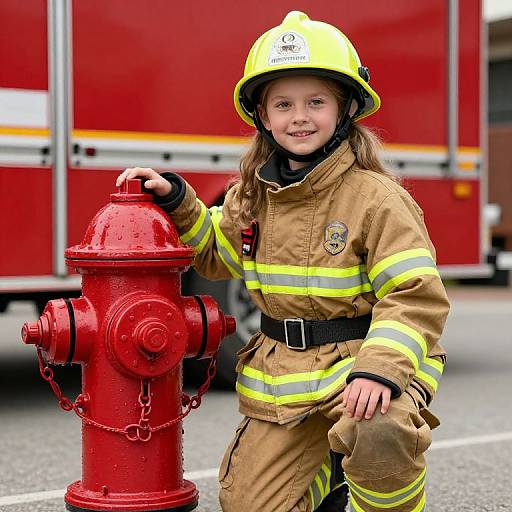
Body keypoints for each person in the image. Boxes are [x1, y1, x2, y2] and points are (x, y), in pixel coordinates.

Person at [117, 11, 449, 512]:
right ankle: (331, 479)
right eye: (284, 104)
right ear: (263, 116)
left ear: (345, 109)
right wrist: (179, 201)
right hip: (284, 379)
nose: (300, 116)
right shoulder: (254, 195)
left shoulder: (377, 198)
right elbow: (216, 253)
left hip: (364, 366)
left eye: (316, 102)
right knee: (249, 504)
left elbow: (414, 296)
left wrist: (379, 371)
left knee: (380, 429)